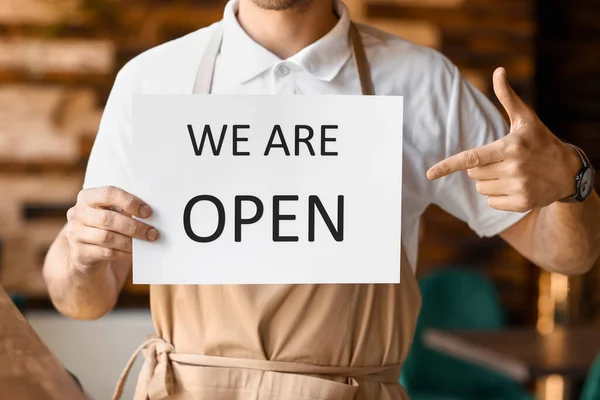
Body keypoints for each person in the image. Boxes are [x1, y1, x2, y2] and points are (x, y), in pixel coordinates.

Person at [43, 0, 600, 399]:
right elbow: (84, 300)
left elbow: (566, 255)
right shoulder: (151, 81)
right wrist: (78, 250)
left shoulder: (423, 81)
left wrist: (572, 181)